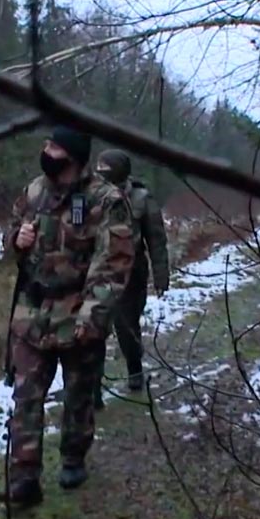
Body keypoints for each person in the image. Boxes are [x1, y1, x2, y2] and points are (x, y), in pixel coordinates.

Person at [0, 126, 135, 507]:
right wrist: (16, 241)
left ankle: (74, 456)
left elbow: (114, 263)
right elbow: (12, 233)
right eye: (45, 143)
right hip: (33, 314)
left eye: (53, 146)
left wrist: (91, 317)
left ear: (71, 154)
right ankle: (24, 479)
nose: (46, 150)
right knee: (25, 397)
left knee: (77, 397)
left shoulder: (106, 200)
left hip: (78, 313)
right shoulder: (34, 192)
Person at [91, 149, 169, 407]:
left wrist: (161, 275)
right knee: (93, 329)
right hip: (95, 273)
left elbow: (156, 240)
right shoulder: (88, 195)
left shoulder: (141, 197)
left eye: (107, 166)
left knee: (127, 327)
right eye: (99, 166)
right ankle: (93, 388)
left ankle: (135, 370)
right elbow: (77, 231)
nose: (101, 171)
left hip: (131, 273)